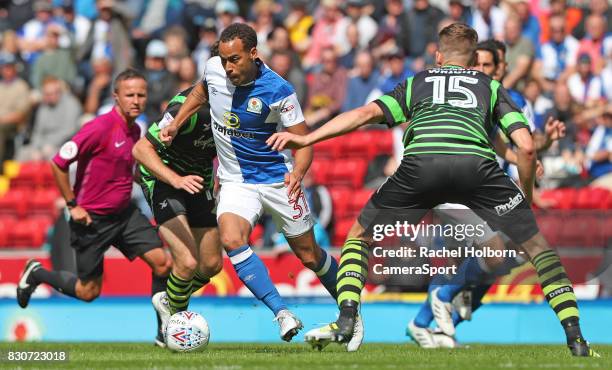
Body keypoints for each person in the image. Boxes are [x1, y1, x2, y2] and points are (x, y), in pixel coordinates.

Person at [267, 23, 597, 357]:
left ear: (438, 56)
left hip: (421, 166)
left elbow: (366, 113)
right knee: (539, 250)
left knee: (359, 236)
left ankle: (348, 317)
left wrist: (308, 137)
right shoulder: (491, 87)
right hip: (477, 169)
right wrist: (523, 195)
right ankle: (577, 339)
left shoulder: (418, 82)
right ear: (471, 62)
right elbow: (525, 148)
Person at [158, 23, 361, 348]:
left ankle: (351, 311)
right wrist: (176, 123)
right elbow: (200, 92)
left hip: (278, 181)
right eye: (224, 60)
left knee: (309, 255)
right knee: (231, 237)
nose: (228, 67)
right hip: (237, 181)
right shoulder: (213, 70)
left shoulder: (278, 90)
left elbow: (304, 141)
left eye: (235, 59)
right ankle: (282, 313)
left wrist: (299, 172)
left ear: (254, 54)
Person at [16, 69, 171, 345]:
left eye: (141, 95)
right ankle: (37, 272)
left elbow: (125, 170)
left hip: (124, 214)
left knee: (162, 264)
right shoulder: (98, 128)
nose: (136, 100)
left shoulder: (136, 130)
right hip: (92, 220)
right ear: (116, 97)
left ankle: (164, 333)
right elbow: (58, 162)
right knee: (88, 292)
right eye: (130, 95)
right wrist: (72, 205)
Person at [133, 86, 223, 347]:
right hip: (164, 180)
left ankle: (167, 301)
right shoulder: (188, 109)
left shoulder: (235, 110)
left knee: (211, 264)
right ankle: (174, 330)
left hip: (198, 182)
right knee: (185, 261)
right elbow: (140, 149)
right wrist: (175, 179)